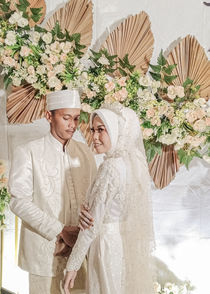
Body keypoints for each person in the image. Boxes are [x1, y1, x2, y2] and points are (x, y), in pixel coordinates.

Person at [9, 89, 97, 294]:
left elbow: (94, 197)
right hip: (44, 252)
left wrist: (82, 235)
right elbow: (18, 201)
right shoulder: (28, 151)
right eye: (66, 118)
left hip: (80, 252)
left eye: (76, 118)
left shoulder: (85, 152)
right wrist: (60, 230)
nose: (72, 125)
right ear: (49, 116)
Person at [64, 102, 155, 294]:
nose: (94, 137)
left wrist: (73, 264)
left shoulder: (111, 167)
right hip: (120, 242)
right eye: (92, 130)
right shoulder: (131, 165)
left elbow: (92, 225)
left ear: (115, 131)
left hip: (104, 245)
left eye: (101, 130)